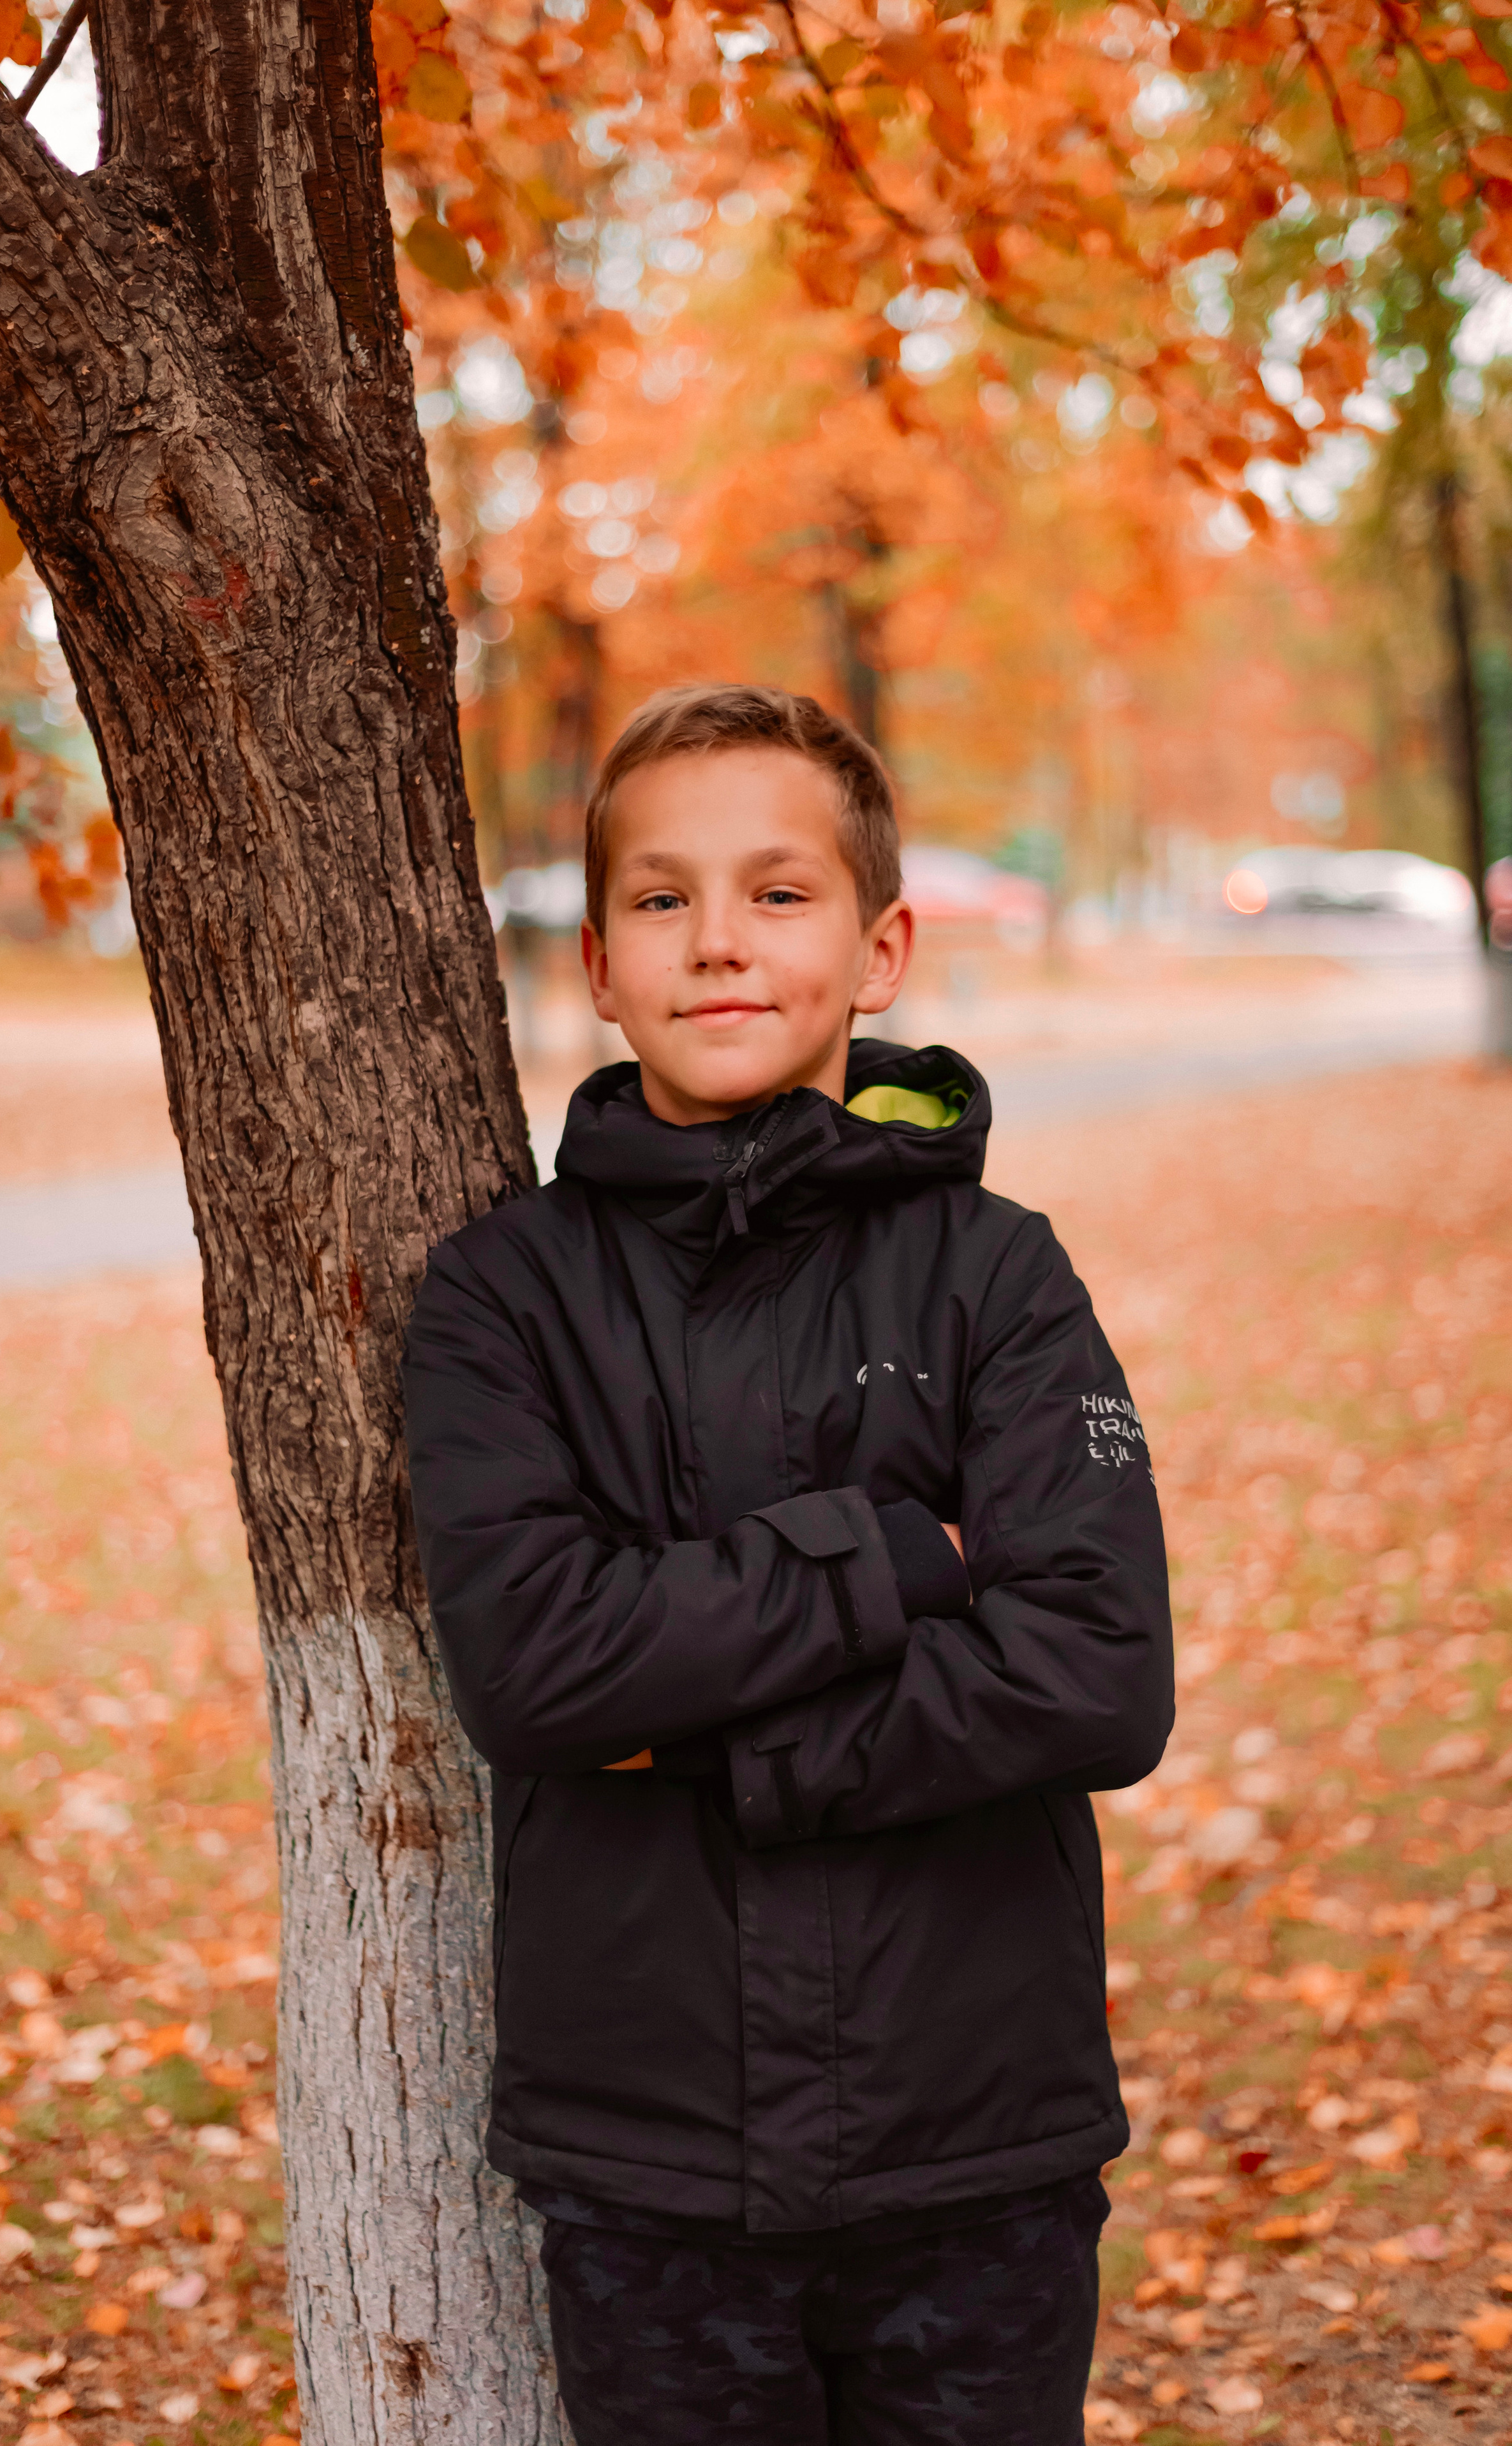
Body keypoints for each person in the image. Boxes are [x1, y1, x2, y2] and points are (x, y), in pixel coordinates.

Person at [402, 683, 1175, 2446]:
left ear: (881, 944)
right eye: (665, 900)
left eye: (779, 890)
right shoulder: (502, 1298)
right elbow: (535, 1667)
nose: (720, 942)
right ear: (599, 963)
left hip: (976, 2130)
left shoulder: (998, 1277)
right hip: (649, 2148)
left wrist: (726, 1743)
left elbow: (1099, 1664)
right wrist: (899, 1554)